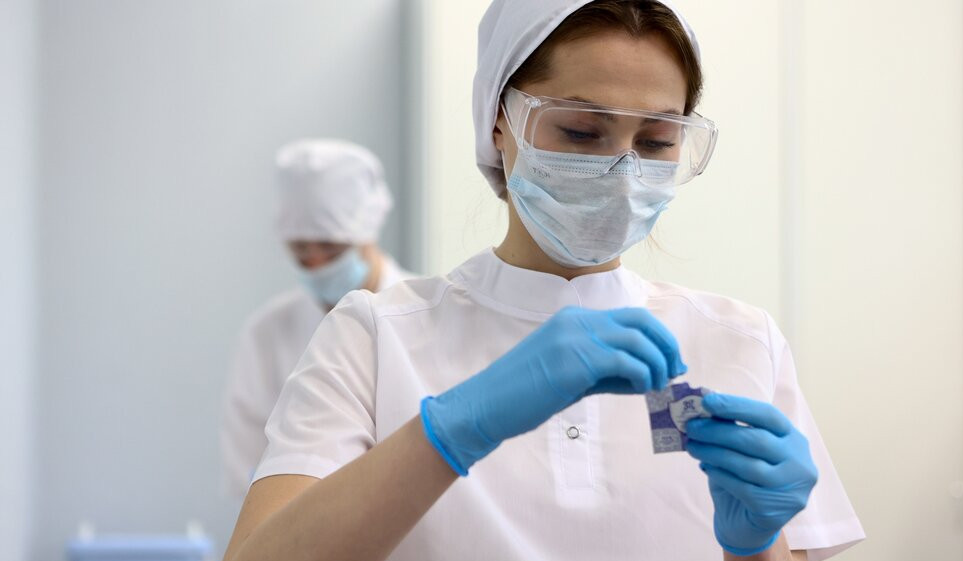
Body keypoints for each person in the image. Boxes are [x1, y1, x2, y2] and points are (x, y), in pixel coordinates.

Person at [222, 2, 866, 560]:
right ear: (499, 123)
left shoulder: (741, 342)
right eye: (581, 131)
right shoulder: (374, 337)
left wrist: (755, 546)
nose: (622, 171)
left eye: (657, 141)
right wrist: (452, 429)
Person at [220, 139, 412, 497]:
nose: (318, 263)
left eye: (331, 247)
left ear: (366, 232)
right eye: (301, 250)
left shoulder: (423, 314)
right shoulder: (266, 335)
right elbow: (248, 467)